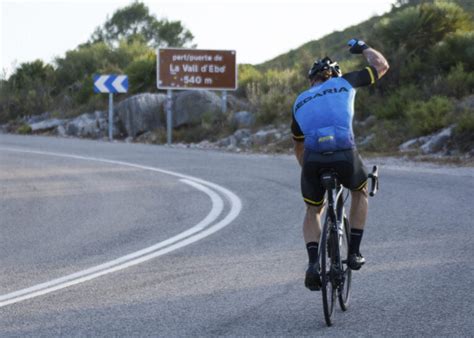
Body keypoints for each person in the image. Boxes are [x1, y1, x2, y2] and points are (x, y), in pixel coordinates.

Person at [291, 39, 389, 291]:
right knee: (360, 191)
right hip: (344, 153)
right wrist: (364, 47)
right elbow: (382, 65)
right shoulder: (345, 83)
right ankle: (354, 252)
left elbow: (299, 147)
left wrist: (310, 172)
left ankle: (313, 264)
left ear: (312, 80)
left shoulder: (300, 100)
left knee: (313, 210)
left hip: (313, 159)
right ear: (335, 74)